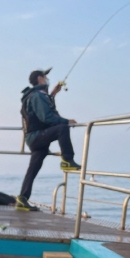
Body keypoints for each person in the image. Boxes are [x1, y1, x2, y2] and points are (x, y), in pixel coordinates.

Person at [16, 67, 81, 211]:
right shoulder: (38, 95)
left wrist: (53, 94)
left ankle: (22, 198)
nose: (47, 79)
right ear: (40, 79)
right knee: (62, 129)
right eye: (45, 76)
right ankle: (67, 160)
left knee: (33, 169)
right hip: (37, 136)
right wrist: (66, 121)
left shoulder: (36, 95)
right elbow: (47, 117)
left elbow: (45, 110)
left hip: (34, 138)